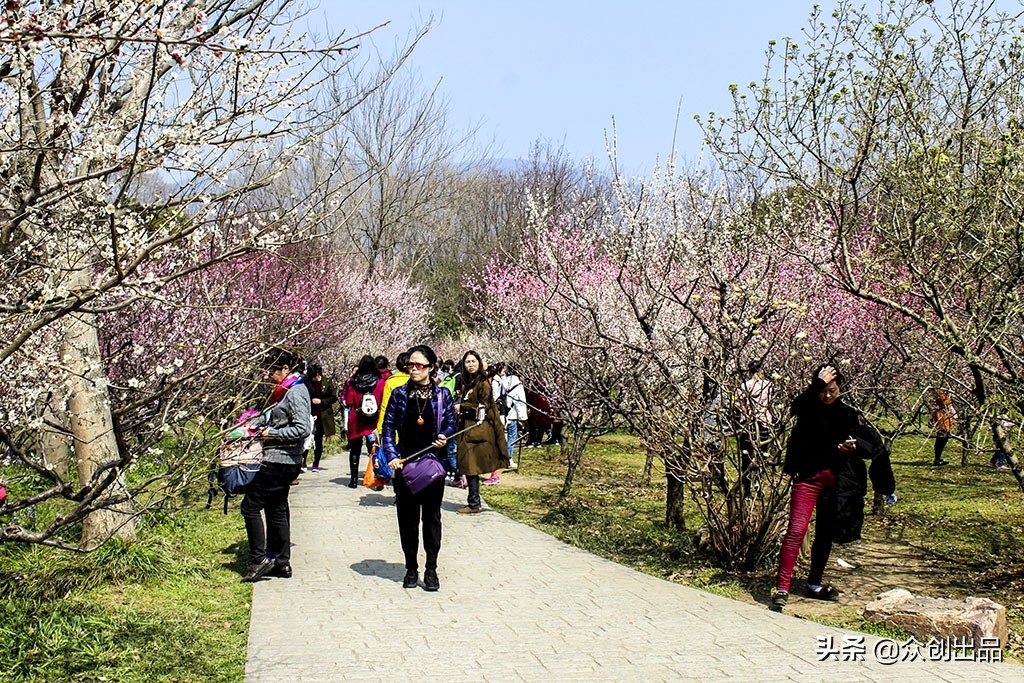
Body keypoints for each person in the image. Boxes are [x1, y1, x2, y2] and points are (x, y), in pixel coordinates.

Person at [771, 363, 878, 611]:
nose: (828, 395)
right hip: (808, 479)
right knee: (796, 530)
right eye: (823, 390)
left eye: (832, 389)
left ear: (840, 388)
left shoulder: (847, 414)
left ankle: (814, 583)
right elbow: (796, 407)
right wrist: (816, 384)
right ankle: (781, 588)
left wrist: (856, 447)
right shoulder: (808, 409)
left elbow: (869, 444)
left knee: (824, 534)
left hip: (836, 483)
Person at [381, 344, 457, 591]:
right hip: (405, 464)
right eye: (410, 365)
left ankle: (431, 568)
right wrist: (391, 456)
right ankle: (411, 567)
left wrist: (445, 435)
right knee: (407, 519)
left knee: (432, 518)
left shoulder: (443, 395)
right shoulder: (400, 394)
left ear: (431, 368)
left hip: (433, 465)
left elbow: (450, 423)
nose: (413, 369)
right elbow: (388, 428)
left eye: (419, 365)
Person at [241, 349, 311, 582]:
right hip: (279, 459)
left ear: (285, 370)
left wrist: (272, 433)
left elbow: (303, 428)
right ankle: (281, 563)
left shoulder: (296, 392)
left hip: (280, 460)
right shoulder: (282, 392)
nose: (266, 375)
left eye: (271, 370)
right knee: (276, 508)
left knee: (250, 507)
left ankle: (258, 558)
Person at [454, 350, 509, 511]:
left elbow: (483, 406)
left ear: (479, 363)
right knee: (469, 467)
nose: (470, 365)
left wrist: (462, 406)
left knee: (471, 466)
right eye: (467, 362)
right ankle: (474, 501)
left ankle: (474, 503)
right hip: (467, 428)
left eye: (473, 361)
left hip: (477, 430)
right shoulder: (467, 382)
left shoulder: (482, 383)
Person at [341, 355, 385, 488]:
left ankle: (354, 480)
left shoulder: (352, 382)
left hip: (356, 419)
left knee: (355, 450)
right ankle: (377, 480)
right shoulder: (380, 382)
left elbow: (349, 402)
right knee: (375, 450)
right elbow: (382, 401)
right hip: (373, 420)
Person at [736, 360, 773, 497]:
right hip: (764, 424)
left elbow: (738, 404)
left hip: (749, 424)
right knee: (762, 457)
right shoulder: (769, 385)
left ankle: (747, 490)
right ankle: (759, 485)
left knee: (746, 458)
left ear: (749, 371)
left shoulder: (745, 386)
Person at [305, 363, 337, 472]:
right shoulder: (308, 382)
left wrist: (322, 401)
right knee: (306, 438)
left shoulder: (326, 382)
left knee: (318, 440)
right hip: (309, 413)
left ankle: (316, 463)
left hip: (322, 415)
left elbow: (334, 397)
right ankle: (303, 462)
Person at [931, 387, 956, 467]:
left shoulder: (940, 391)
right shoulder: (940, 391)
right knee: (942, 437)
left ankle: (938, 458)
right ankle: (937, 459)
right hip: (942, 417)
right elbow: (946, 402)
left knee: (942, 437)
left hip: (943, 416)